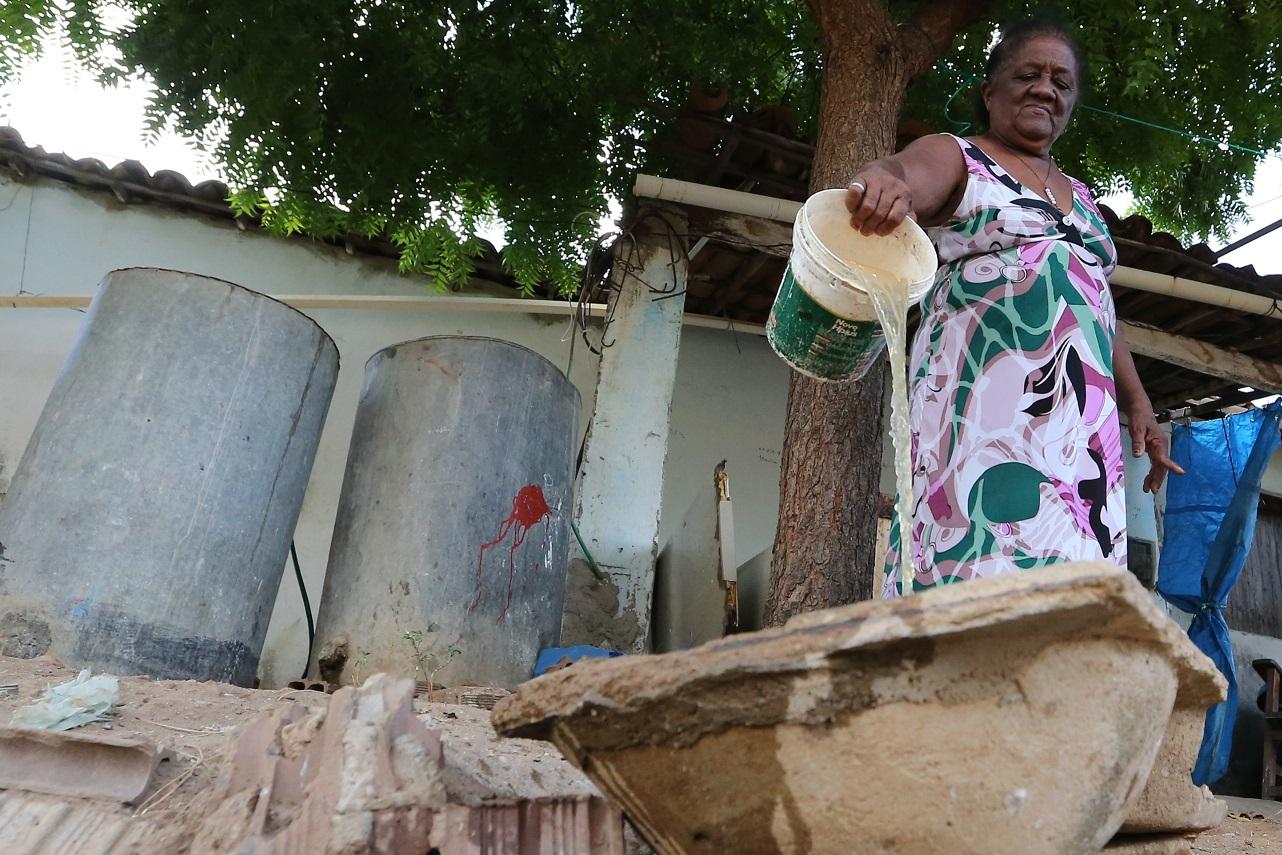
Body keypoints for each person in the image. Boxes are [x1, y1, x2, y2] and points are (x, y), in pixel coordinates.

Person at [845, 18, 1183, 597]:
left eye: (1061, 82)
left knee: (1070, 569)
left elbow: (1098, 309)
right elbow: (906, 172)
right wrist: (884, 181)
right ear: (990, 92)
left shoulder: (1085, 201)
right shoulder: (961, 156)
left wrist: (1139, 402)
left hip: (1080, 430)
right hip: (983, 409)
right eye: (1028, 74)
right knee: (975, 551)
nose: (1045, 89)